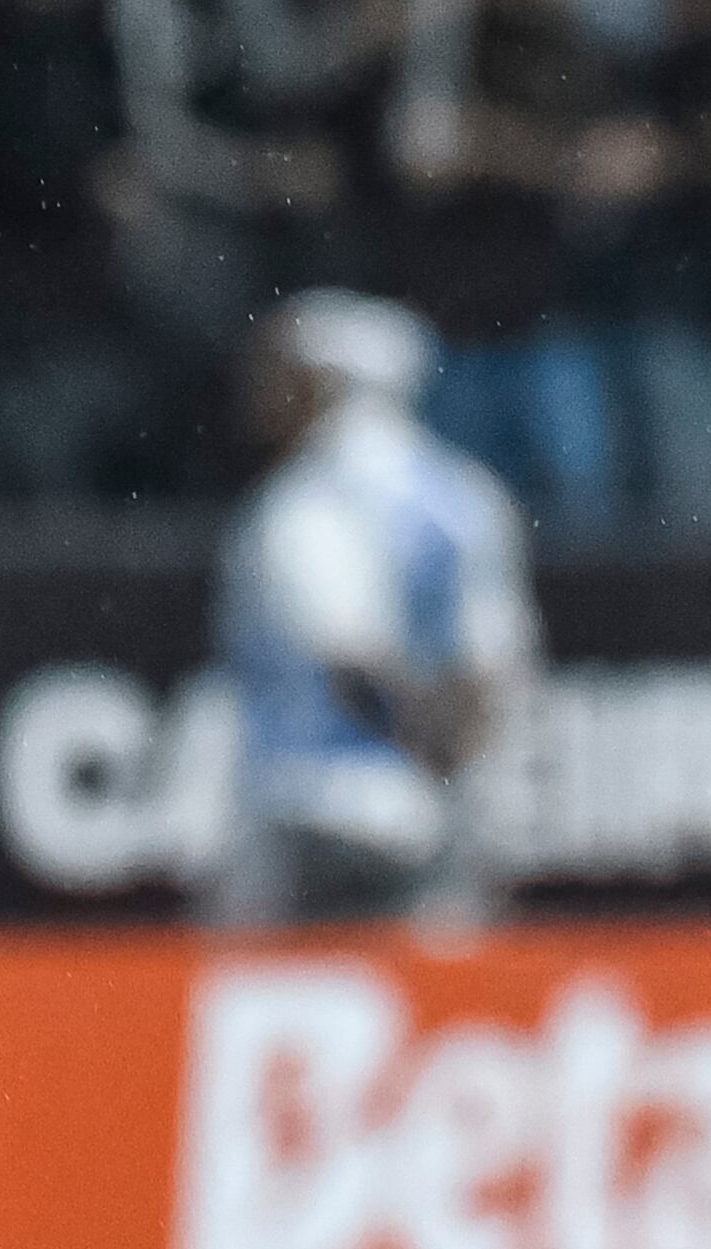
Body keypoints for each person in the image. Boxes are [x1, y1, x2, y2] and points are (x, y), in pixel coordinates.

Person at [204, 291, 538, 931]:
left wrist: (416, 740)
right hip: (429, 816)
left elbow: (349, 660)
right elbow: (490, 666)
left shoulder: (305, 500)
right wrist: (447, 773)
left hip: (307, 807)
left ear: (325, 383)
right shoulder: (469, 499)